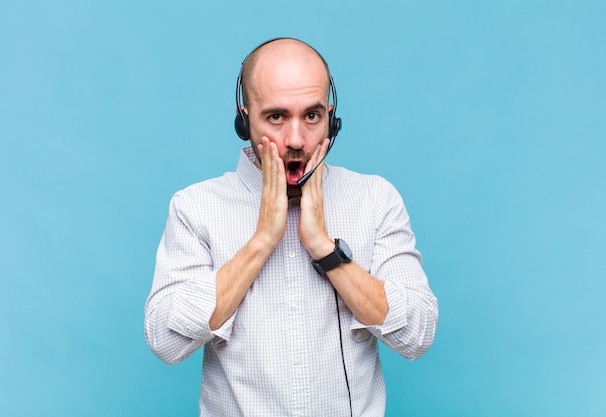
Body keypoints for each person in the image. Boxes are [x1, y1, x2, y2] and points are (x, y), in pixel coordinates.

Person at [145, 38, 438, 417]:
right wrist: (263, 238)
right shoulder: (196, 207)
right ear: (243, 117)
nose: (296, 140)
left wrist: (326, 251)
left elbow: (418, 333)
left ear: (332, 118)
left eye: (312, 117)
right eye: (276, 117)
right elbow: (166, 341)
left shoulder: (375, 199)